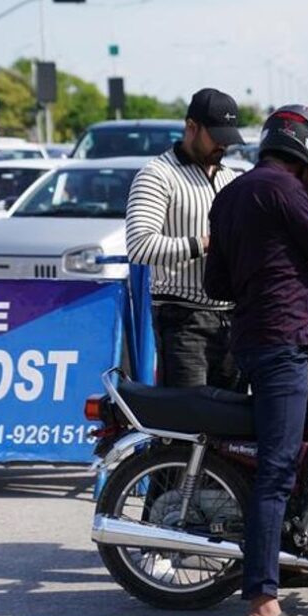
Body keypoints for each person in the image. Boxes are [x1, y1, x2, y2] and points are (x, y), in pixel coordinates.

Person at [204, 105, 308, 616]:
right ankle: (262, 605)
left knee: (277, 460)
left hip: (248, 339)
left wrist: (288, 277)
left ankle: (285, 563)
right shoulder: (290, 193)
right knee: (276, 469)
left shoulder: (232, 194)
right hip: (280, 344)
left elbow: (218, 281)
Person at [124, 87, 244, 390]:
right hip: (183, 319)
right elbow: (140, 246)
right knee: (188, 426)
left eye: (228, 138)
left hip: (234, 319)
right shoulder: (157, 174)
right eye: (216, 136)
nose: (223, 145)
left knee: (230, 424)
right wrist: (207, 243)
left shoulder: (232, 178)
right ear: (191, 127)